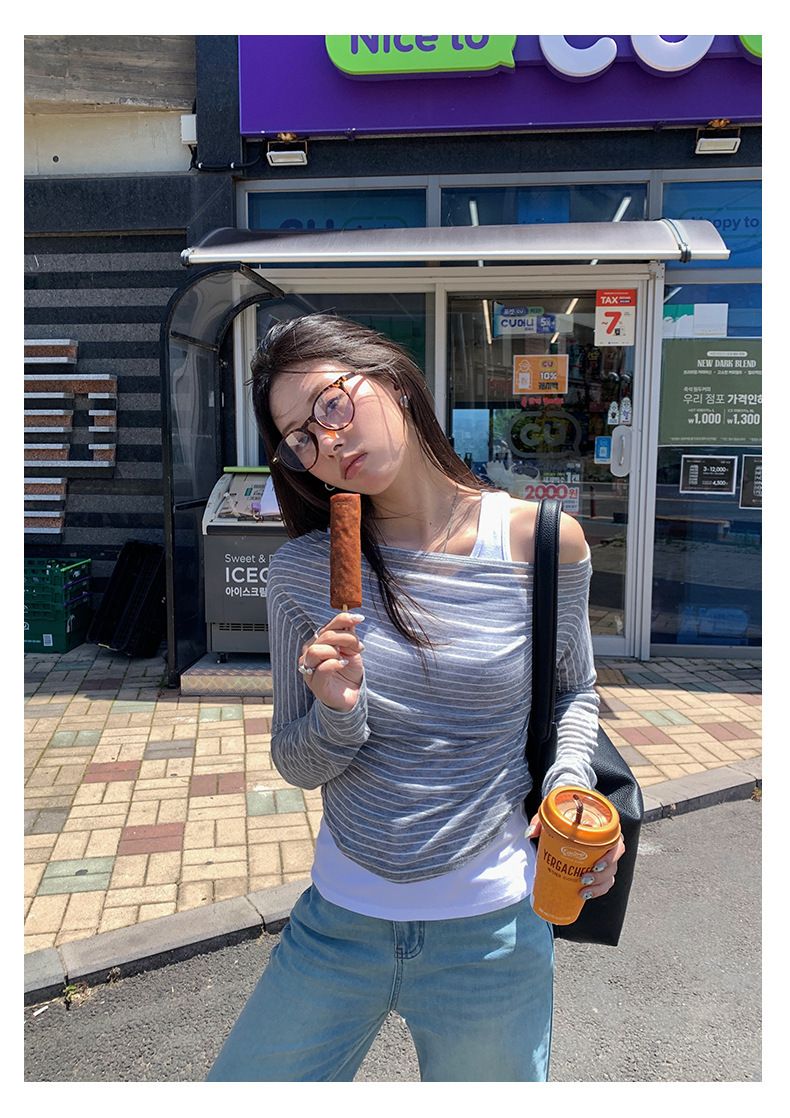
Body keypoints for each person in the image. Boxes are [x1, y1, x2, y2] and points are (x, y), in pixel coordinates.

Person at [206, 313, 625, 1083]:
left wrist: (568, 793)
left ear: (393, 380)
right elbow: (295, 763)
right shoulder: (301, 574)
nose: (325, 442)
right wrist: (336, 712)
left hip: (492, 931)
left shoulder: (541, 542)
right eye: (300, 438)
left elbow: (574, 692)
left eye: (332, 404)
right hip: (337, 924)